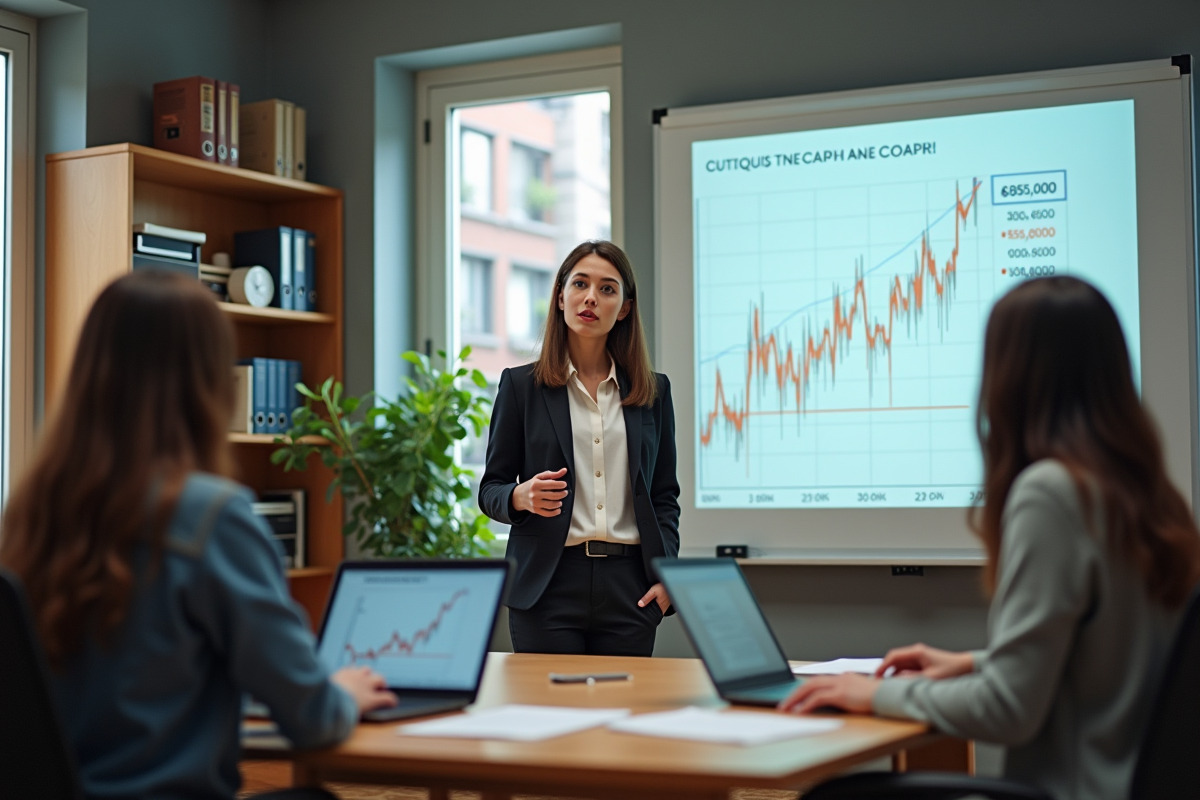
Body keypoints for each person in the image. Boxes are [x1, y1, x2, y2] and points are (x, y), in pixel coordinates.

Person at [780, 276, 1200, 800]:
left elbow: (1009, 710)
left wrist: (877, 694)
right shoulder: (1148, 494)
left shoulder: (1051, 493)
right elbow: (1102, 657)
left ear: (1013, 376)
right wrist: (974, 663)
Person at [0, 271, 398, 800]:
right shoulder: (212, 516)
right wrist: (342, 692)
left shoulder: (31, 515)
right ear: (208, 382)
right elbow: (314, 719)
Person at [479, 240, 680, 657]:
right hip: (548, 585)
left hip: (632, 588)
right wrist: (519, 496)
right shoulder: (520, 387)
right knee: (549, 716)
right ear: (560, 297)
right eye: (580, 284)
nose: (591, 297)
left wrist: (668, 574)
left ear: (624, 307)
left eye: (608, 289)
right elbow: (491, 489)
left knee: (621, 716)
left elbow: (664, 497)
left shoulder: (653, 391)